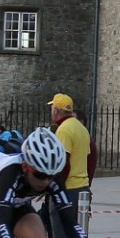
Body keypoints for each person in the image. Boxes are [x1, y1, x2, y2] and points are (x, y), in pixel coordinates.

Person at [50, 93, 93, 225]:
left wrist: (54, 186)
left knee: (61, 236)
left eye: (52, 108)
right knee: (76, 234)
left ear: (56, 110)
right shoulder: (82, 128)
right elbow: (89, 160)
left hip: (68, 189)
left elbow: (63, 163)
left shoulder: (63, 130)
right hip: (82, 188)